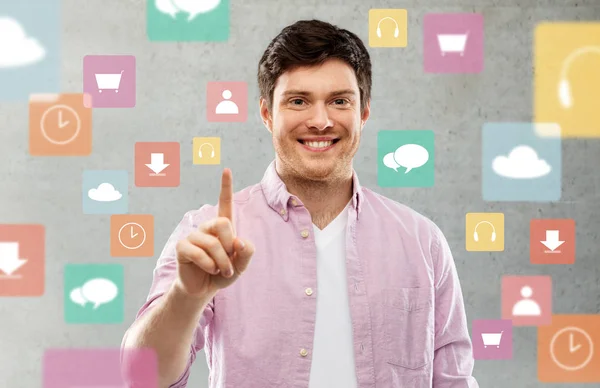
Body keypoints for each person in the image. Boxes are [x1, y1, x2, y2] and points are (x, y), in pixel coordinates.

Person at [121, 19, 479, 388]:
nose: (321, 121)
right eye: (298, 101)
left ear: (364, 113)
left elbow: (454, 380)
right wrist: (186, 297)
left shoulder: (423, 242)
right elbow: (140, 376)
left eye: (339, 101)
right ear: (266, 113)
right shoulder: (208, 235)